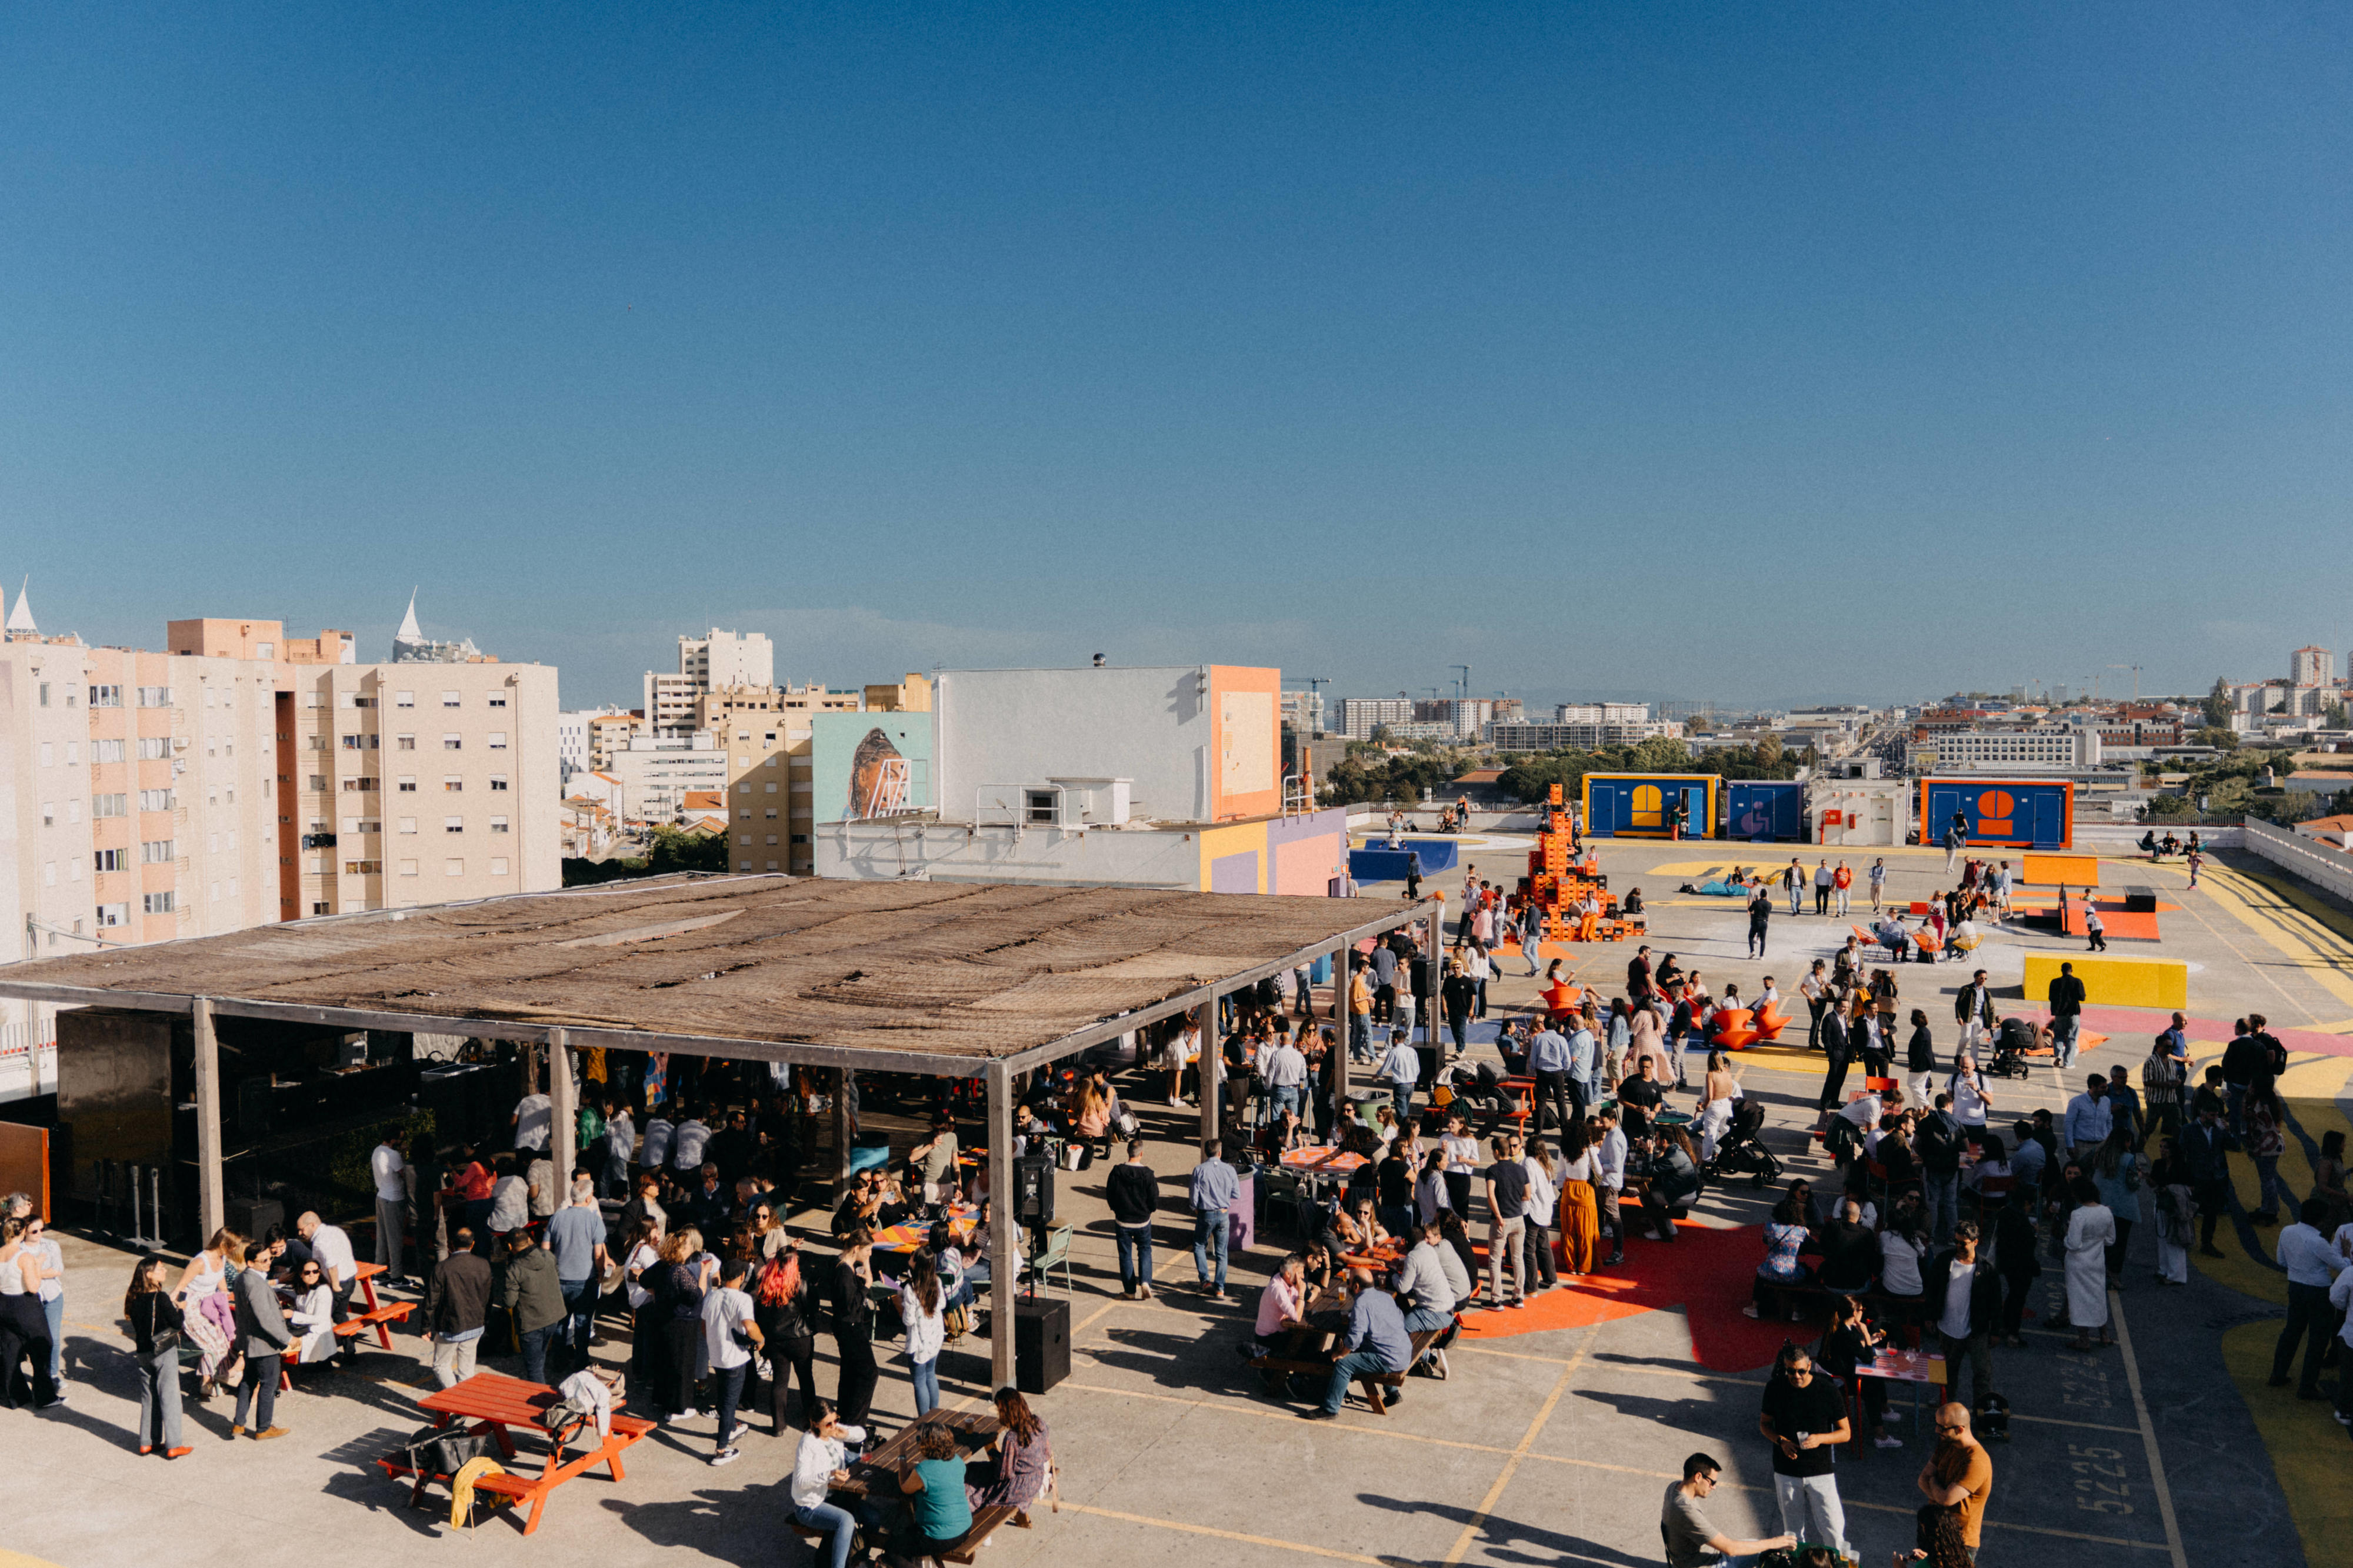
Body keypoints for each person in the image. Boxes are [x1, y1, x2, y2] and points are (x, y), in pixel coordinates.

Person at [1758, 1342, 1850, 1559]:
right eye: (1791, 1371)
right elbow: (1764, 1425)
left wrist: (1820, 1439)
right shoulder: (1775, 1388)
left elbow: (1845, 1433)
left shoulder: (1826, 1389)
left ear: (1810, 1366)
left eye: (1801, 1370)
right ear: (1785, 1367)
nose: (1796, 1376)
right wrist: (1781, 1441)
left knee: (1834, 1531)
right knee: (1793, 1535)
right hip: (1786, 1472)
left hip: (1821, 1472)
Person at [1302, 1269, 1413, 1420]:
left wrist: (1340, 1354)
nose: (1348, 1286)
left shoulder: (1361, 1304)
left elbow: (1355, 1339)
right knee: (1365, 1347)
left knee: (1344, 1364)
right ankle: (1392, 1392)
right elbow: (1400, 1318)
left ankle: (1330, 1409)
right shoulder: (1385, 1296)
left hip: (1390, 1360)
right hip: (1404, 1351)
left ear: (1356, 1287)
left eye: (1349, 1283)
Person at [2268, 1198, 2347, 1397]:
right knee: (2317, 1340)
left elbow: (2281, 1260)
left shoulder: (2287, 1231)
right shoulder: (2318, 1242)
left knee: (2292, 1332)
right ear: (2320, 1219)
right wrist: (2346, 1253)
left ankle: (2278, 1374)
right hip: (2318, 1291)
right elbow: (2342, 1266)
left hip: (2295, 1287)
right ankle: (2307, 1386)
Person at [1663, 1452, 1795, 1568]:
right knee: (1768, 1555)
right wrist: (1774, 1542)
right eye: (1712, 1482)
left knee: (1757, 1546)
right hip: (1707, 1564)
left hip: (1685, 1560)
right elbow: (1730, 1549)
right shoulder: (1686, 1512)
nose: (1713, 1487)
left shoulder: (1674, 1488)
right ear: (1698, 1477)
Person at [789, 1400, 869, 1568]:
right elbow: (801, 1482)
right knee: (846, 1520)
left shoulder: (833, 1434)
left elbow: (862, 1434)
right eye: (828, 1424)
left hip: (836, 1497)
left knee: (873, 1519)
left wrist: (844, 1434)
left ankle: (858, 1559)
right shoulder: (808, 1443)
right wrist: (830, 1475)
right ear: (815, 1424)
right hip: (810, 1506)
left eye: (835, 1420)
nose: (833, 1426)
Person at [124, 1255, 191, 1456]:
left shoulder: (134, 1299)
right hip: (163, 1351)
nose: (165, 1271)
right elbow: (177, 1325)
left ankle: (148, 1441)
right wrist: (180, 1309)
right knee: (170, 1397)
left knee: (149, 1397)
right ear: (149, 1274)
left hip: (143, 1352)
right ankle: (174, 1444)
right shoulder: (160, 1298)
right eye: (161, 1269)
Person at [544, 1175, 609, 1377]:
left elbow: (546, 1249)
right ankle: (580, 1362)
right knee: (583, 1323)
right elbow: (599, 1254)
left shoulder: (557, 1217)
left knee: (561, 1322)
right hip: (584, 1279)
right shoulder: (594, 1220)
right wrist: (600, 1273)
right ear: (588, 1198)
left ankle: (559, 1360)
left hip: (559, 1279)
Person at [229, 1235, 292, 1439]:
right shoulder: (255, 1284)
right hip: (263, 1344)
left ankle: (239, 1423)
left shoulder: (242, 1278)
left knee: (248, 1381)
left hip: (248, 1342)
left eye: (270, 1259)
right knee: (269, 1384)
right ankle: (264, 1428)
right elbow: (265, 1319)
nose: (268, 1263)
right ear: (250, 1262)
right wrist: (287, 1338)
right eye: (263, 1260)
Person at [702, 1253, 761, 1464]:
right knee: (729, 1403)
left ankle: (732, 1427)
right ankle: (721, 1449)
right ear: (742, 1276)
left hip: (716, 1356)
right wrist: (761, 1339)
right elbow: (749, 1326)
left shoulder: (711, 1296)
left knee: (725, 1394)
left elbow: (704, 1325)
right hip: (736, 1357)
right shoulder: (743, 1299)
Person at [1917, 1404, 1995, 1563]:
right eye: (1936, 1424)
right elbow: (1922, 1480)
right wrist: (1939, 1493)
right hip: (1935, 1534)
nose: (1937, 1430)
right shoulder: (1946, 1445)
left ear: (1960, 1429)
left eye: (1942, 1427)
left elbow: (1947, 1499)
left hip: (1960, 1542)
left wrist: (1933, 1480)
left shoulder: (1976, 1461)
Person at [891, 1422, 975, 1557]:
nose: (919, 1443)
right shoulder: (957, 1461)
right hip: (964, 1529)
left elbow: (904, 1487)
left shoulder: (924, 1470)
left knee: (892, 1549)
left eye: (920, 1440)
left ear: (927, 1443)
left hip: (939, 1538)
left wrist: (902, 1455)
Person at [499, 1226, 566, 1386]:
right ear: (529, 1240)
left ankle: (540, 1403)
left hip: (531, 1324)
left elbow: (509, 1301)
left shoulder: (514, 1269)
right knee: (540, 1357)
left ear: (510, 1246)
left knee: (534, 1369)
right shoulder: (548, 1256)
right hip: (554, 1316)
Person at [429, 1225, 493, 1388]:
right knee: (467, 1368)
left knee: (441, 1365)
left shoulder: (442, 1268)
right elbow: (488, 1295)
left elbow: (432, 1300)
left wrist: (425, 1326)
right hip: (476, 1323)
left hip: (450, 1326)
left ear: (451, 1245)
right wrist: (485, 1318)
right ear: (472, 1244)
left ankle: (456, 1398)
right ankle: (465, 1401)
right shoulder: (483, 1264)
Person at [831, 1230, 879, 1433]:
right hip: (850, 1327)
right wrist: (866, 1286)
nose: (870, 1255)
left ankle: (845, 1416)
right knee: (868, 1374)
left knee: (850, 1372)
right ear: (857, 1248)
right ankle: (855, 1422)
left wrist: (866, 1268)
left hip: (846, 1326)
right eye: (867, 1251)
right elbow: (852, 1305)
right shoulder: (844, 1273)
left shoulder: (845, 1265)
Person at [2064, 1176, 2117, 1350]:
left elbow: (2074, 1244)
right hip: (2097, 1261)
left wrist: (2066, 1236)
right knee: (2098, 1297)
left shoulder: (2078, 1215)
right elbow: (2110, 1240)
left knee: (2079, 1300)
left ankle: (2083, 1338)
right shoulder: (2106, 1212)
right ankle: (2104, 1335)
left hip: (2078, 1264)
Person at [1106, 1139, 1159, 1300]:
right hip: (1143, 1220)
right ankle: (1145, 1282)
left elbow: (1110, 1194)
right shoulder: (1148, 1175)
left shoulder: (1117, 1171)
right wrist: (1149, 1210)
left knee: (1125, 1255)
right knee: (1145, 1250)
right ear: (1141, 1154)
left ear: (1128, 1152)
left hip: (1123, 1220)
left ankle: (1129, 1290)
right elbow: (1154, 1199)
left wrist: (1116, 1209)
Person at [1189, 1140, 1239, 1303]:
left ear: (1206, 1152)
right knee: (1222, 1252)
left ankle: (1205, 1280)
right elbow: (1236, 1193)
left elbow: (1194, 1197)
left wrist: (1196, 1209)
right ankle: (1220, 1288)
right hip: (1223, 1213)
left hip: (1206, 1213)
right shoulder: (1229, 1170)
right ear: (1220, 1152)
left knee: (1199, 1245)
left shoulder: (1199, 1170)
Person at [1483, 1135, 1529, 1308]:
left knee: (1495, 1260)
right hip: (1518, 1219)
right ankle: (1518, 1296)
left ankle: (1496, 1299)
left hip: (1501, 1221)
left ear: (1496, 1152)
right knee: (1518, 1259)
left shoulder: (1492, 1171)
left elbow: (1490, 1195)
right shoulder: (1520, 1169)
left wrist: (1499, 1216)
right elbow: (1528, 1195)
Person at [2246, 1067, 2294, 1224]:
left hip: (2266, 1145)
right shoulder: (2270, 1101)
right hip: (2273, 1143)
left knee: (2267, 1180)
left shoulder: (2259, 1104)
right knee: (2269, 1178)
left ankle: (2269, 1211)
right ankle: (2269, 1208)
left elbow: (2246, 1116)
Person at [369, 1132, 409, 1289]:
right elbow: (405, 1174)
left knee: (382, 1236)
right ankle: (397, 1276)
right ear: (393, 1140)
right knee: (395, 1239)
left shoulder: (377, 1150)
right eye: (401, 1139)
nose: (402, 1142)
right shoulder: (394, 1155)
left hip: (381, 1196)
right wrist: (404, 1154)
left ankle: (379, 1273)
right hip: (394, 1198)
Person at [2048, 962, 2087, 1069]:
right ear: (2072, 970)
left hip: (2060, 1013)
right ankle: (2068, 1063)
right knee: (2072, 1037)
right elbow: (2082, 997)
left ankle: (2059, 1054)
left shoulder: (2055, 982)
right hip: (2073, 1013)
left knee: (2058, 1035)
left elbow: (2051, 997)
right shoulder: (2077, 982)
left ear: (2061, 970)